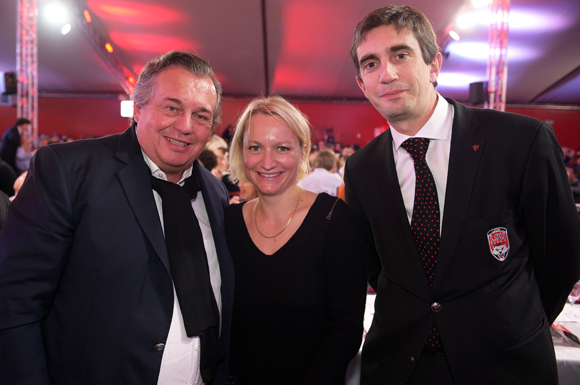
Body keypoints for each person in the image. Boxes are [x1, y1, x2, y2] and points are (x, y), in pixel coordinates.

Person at [345, 6, 580, 385]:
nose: (386, 74)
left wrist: (514, 326)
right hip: (402, 368)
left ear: (434, 65)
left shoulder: (520, 141)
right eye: (370, 64)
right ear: (361, 83)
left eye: (400, 55)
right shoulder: (361, 168)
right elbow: (382, 267)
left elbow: (563, 256)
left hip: (503, 367)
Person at [0, 51, 234, 385]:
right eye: (172, 107)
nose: (185, 126)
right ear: (138, 108)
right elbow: (15, 304)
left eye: (201, 116)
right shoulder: (68, 171)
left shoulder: (214, 192)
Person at [225, 95, 367, 384]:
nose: (267, 162)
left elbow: (346, 329)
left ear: (303, 151)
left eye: (282, 148)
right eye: (255, 147)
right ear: (242, 152)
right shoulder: (228, 222)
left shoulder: (334, 220)